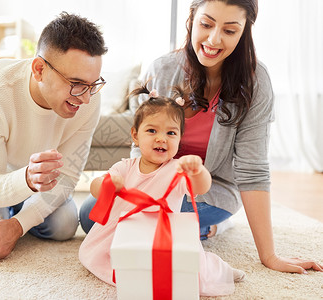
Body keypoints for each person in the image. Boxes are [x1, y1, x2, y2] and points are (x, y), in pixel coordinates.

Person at [80, 0, 322, 274]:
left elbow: (252, 171)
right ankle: (198, 230)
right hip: (152, 184)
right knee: (90, 214)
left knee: (147, 222)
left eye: (230, 31)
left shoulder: (255, 82)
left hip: (209, 190)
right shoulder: (162, 69)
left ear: (244, 32)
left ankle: (214, 224)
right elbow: (141, 149)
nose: (214, 39)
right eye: (206, 24)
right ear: (191, 20)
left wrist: (269, 255)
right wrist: (135, 185)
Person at [0, 12, 107, 263]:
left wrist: (17, 225)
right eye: (76, 83)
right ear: (39, 70)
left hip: (31, 174)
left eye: (93, 85)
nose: (85, 98)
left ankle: (10, 208)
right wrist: (26, 180)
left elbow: (68, 176)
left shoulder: (88, 100)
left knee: (63, 226)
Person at [79, 85, 245, 296]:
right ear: (135, 136)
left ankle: (221, 269)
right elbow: (96, 186)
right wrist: (107, 185)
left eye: (171, 133)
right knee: (100, 258)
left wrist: (197, 171)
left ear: (179, 138)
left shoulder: (176, 169)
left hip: (162, 234)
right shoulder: (125, 166)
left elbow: (202, 187)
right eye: (151, 131)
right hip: (127, 231)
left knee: (191, 273)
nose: (161, 138)